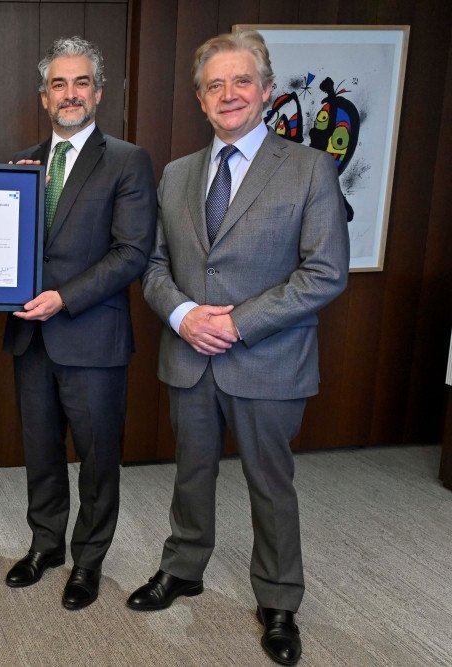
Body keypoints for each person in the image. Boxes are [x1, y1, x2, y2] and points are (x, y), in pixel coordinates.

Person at [127, 29, 349, 666]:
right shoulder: (176, 175)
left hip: (268, 359)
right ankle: (183, 566)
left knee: (270, 484)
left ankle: (278, 599)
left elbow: (324, 273)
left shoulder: (309, 168)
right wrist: (183, 316)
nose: (229, 95)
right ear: (200, 99)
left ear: (267, 91)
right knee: (191, 472)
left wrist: (238, 323)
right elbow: (154, 265)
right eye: (215, 85)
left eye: (241, 82)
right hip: (189, 355)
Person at [2, 36, 156, 611]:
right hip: (30, 337)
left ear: (99, 92)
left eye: (81, 83)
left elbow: (131, 252)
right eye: (58, 85)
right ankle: (46, 545)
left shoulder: (127, 160)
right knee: (40, 453)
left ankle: (88, 560)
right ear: (44, 97)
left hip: (92, 337)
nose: (70, 94)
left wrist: (63, 298)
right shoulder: (21, 164)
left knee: (96, 460)